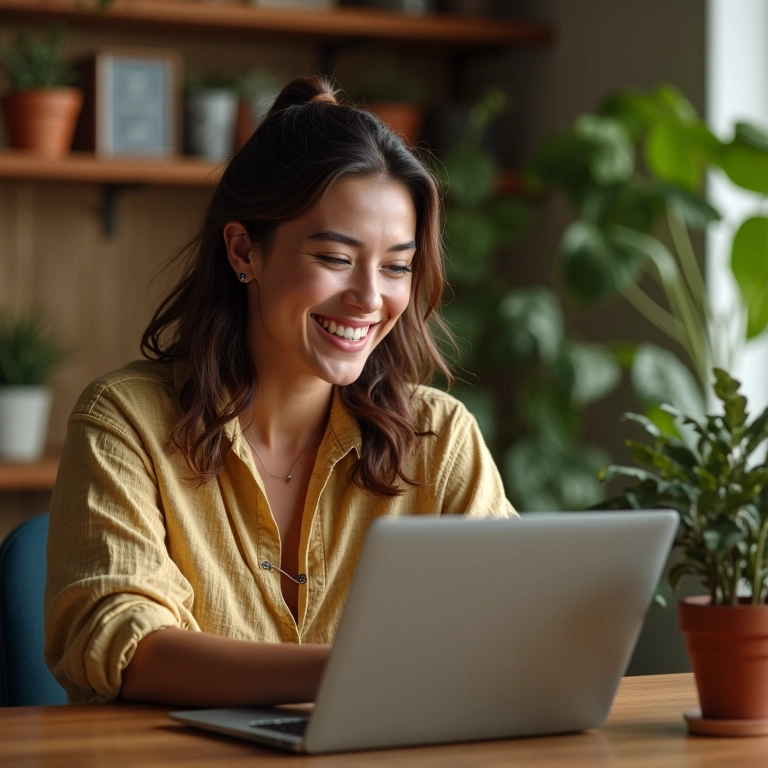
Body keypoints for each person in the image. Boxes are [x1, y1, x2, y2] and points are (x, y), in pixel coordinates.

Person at [44, 75, 516, 708]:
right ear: (245, 251)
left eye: (397, 266)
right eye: (335, 258)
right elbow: (118, 643)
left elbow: (512, 621)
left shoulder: (441, 436)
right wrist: (359, 672)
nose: (370, 298)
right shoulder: (125, 420)